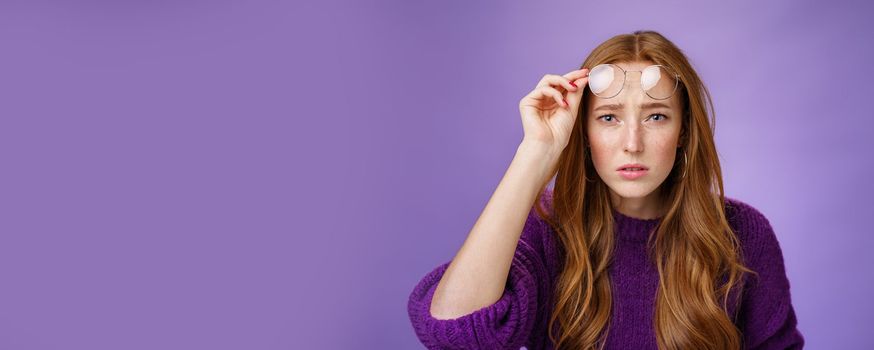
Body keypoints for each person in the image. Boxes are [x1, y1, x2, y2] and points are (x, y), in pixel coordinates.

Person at [407, 30, 804, 350]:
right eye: (609, 117)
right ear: (584, 130)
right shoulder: (548, 231)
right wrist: (537, 151)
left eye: (656, 116)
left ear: (683, 130)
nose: (632, 142)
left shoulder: (742, 234)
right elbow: (453, 331)